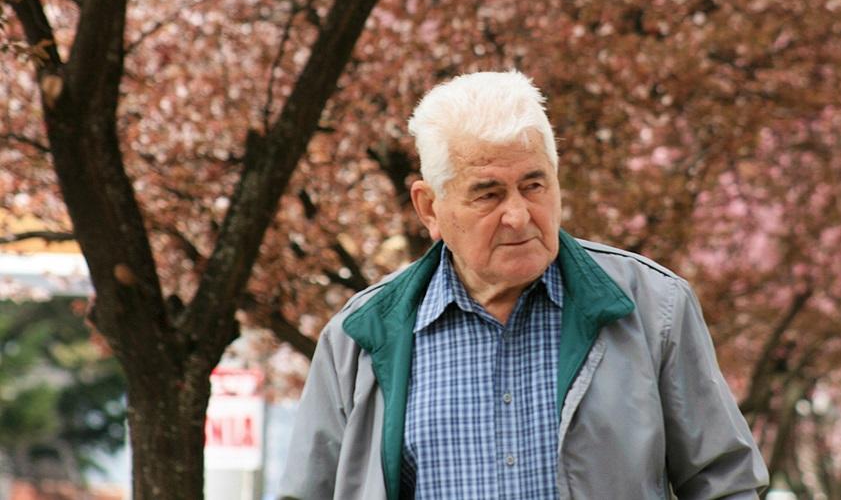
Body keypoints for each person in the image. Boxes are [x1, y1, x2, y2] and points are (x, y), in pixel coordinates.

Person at [279, 71, 768, 500]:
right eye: (488, 194)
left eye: (534, 186)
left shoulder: (653, 307)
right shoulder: (357, 340)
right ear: (429, 208)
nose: (518, 215)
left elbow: (724, 483)